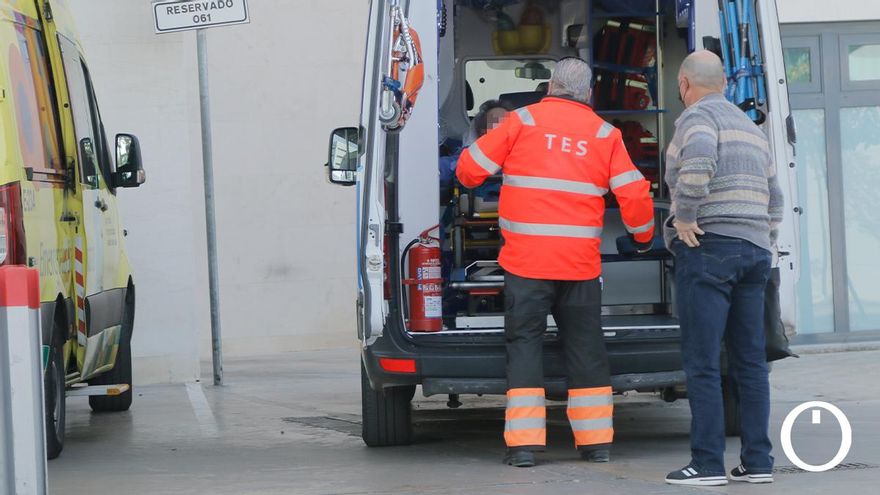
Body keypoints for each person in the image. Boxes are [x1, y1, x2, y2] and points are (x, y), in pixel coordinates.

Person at [455, 58, 655, 468]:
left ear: (550, 87)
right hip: (580, 266)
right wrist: (643, 238)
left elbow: (468, 172)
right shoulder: (605, 134)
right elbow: (635, 194)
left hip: (526, 264)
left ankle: (524, 447)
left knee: (525, 346)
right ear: (588, 93)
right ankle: (595, 444)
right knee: (586, 349)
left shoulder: (521, 121)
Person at [663, 50, 783, 486]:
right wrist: (765, 236)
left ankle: (707, 464)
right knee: (750, 362)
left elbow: (698, 163)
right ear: (725, 84)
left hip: (710, 248)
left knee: (702, 362)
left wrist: (684, 217)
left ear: (683, 83)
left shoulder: (697, 118)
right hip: (754, 252)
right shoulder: (751, 128)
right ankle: (758, 462)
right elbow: (775, 196)